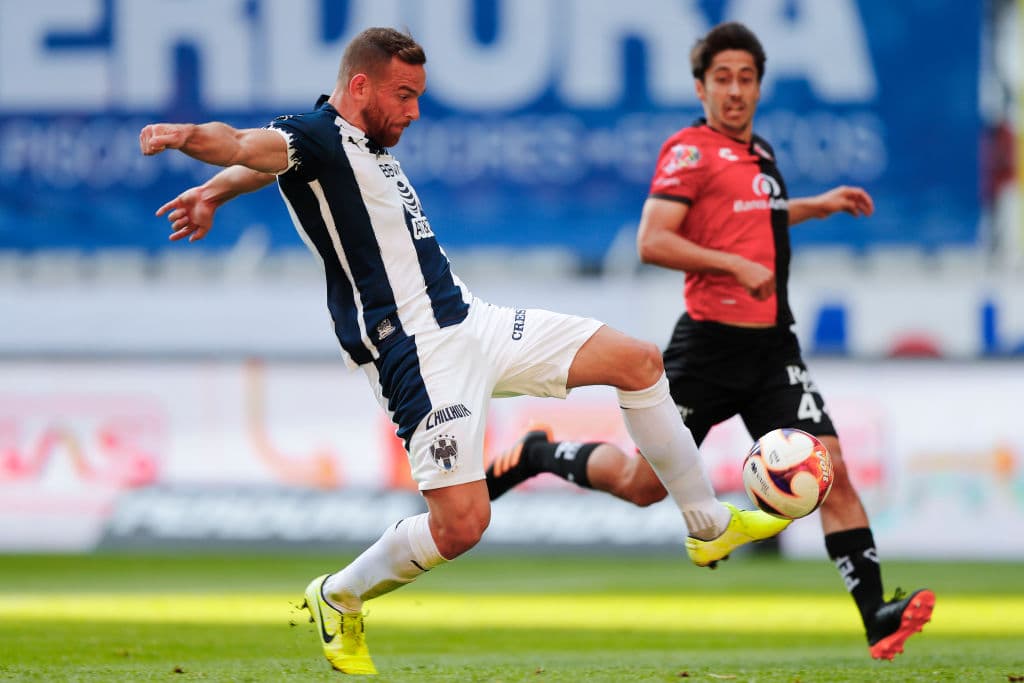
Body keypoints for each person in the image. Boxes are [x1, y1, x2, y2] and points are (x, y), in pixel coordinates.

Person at [139, 27, 789, 675]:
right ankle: (338, 596)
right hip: (417, 355)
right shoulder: (315, 136)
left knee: (639, 361)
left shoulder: (349, 144)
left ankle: (707, 524)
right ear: (359, 85)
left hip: (472, 320)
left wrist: (214, 193)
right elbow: (247, 144)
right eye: (405, 95)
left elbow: (262, 164)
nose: (415, 112)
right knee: (461, 526)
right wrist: (184, 138)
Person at [485, 21, 935, 662]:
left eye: (745, 79)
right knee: (643, 486)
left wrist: (819, 204)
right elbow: (653, 239)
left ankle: (877, 617)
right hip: (708, 349)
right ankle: (539, 454)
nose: (734, 91)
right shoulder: (690, 152)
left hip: (774, 351)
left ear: (758, 87)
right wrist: (732, 266)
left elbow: (756, 215)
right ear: (701, 88)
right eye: (721, 79)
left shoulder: (762, 155)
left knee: (832, 475)